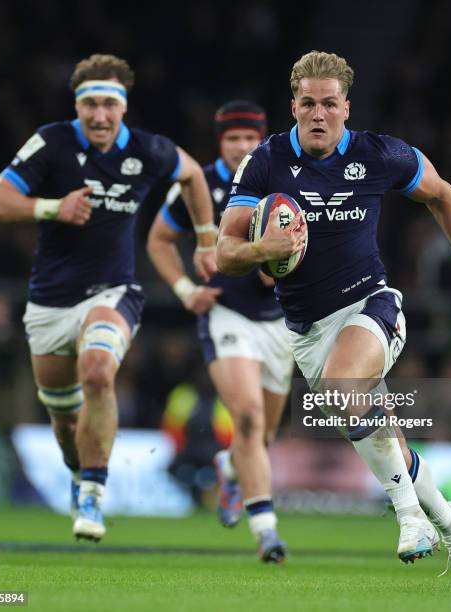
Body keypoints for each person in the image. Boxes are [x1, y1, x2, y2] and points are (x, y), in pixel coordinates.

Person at [216, 50, 451, 583]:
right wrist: (264, 249)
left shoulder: (379, 155)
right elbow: (224, 253)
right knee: (367, 424)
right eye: (307, 104)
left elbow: (442, 194)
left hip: (372, 304)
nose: (318, 114)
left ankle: (409, 518)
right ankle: (449, 520)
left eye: (328, 103)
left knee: (347, 390)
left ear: (346, 107)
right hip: (307, 328)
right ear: (293, 106)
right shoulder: (265, 161)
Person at [0, 54, 217, 542]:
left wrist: (207, 239)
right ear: (77, 106)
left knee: (98, 369)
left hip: (113, 292)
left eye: (110, 103)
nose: (100, 115)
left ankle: (92, 490)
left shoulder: (149, 150)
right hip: (49, 303)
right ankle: (78, 470)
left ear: (123, 107)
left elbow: (193, 176)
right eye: (90, 104)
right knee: (65, 425)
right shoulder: (52, 142)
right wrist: (51, 206)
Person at [148, 101, 294, 563]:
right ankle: (267, 532)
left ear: (263, 140)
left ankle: (231, 467)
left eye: (250, 138)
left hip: (281, 321)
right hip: (226, 314)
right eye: (233, 139)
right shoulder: (202, 185)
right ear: (220, 143)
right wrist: (185, 289)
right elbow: (158, 239)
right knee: (247, 417)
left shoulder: (283, 178)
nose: (242, 147)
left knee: (264, 435)